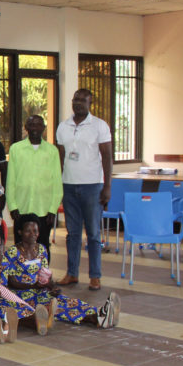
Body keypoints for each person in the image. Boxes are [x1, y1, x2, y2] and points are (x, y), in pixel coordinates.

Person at [6, 216, 120, 331]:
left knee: (66, 301)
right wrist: (32, 286)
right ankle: (95, 318)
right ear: (20, 232)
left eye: (35, 231)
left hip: (40, 290)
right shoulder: (12, 252)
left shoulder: (41, 249)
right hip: (22, 295)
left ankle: (99, 313)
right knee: (56, 305)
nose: (32, 234)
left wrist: (52, 286)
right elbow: (11, 282)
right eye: (28, 231)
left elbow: (45, 275)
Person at [56, 88, 113, 291]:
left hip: (93, 187)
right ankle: (72, 273)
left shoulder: (99, 126)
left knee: (94, 234)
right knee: (72, 234)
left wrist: (107, 186)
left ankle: (95, 276)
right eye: (75, 99)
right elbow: (60, 159)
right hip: (69, 186)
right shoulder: (63, 127)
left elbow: (107, 157)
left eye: (83, 100)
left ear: (90, 103)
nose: (78, 103)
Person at [5, 114, 62, 253]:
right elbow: (11, 180)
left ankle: (43, 274)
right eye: (31, 125)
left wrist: (53, 209)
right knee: (20, 246)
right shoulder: (16, 149)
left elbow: (57, 183)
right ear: (26, 127)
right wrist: (12, 206)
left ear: (43, 127)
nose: (35, 128)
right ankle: (20, 275)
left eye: (38, 125)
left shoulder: (52, 151)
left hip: (44, 210)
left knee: (42, 245)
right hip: (21, 208)